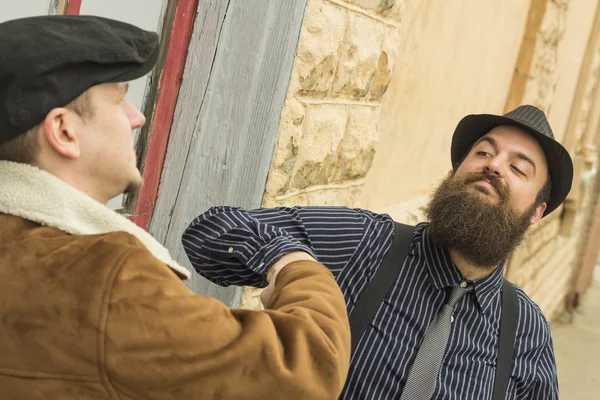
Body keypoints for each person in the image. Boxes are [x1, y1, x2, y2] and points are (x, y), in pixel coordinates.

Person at [0, 15, 351, 400]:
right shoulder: (103, 278)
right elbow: (308, 369)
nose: (138, 117)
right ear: (64, 131)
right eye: (119, 100)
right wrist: (297, 265)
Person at [183, 105, 573, 399]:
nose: (494, 167)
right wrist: (291, 263)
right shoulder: (367, 243)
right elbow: (211, 231)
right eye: (484, 153)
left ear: (537, 212)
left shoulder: (526, 331)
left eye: (518, 168)